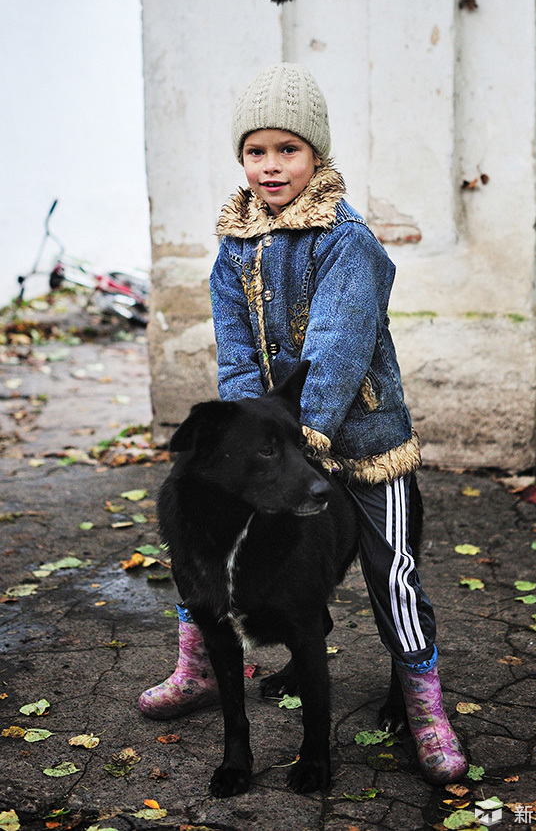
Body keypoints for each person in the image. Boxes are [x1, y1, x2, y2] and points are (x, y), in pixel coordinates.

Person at [139, 63, 467, 785]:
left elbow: (336, 354)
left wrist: (299, 448)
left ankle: (423, 703)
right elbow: (234, 358)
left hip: (359, 441)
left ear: (317, 154)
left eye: (288, 149)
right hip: (280, 442)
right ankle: (198, 663)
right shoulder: (235, 243)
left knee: (392, 572)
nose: (271, 166)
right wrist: (239, 440)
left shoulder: (348, 242)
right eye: (257, 151)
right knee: (205, 531)